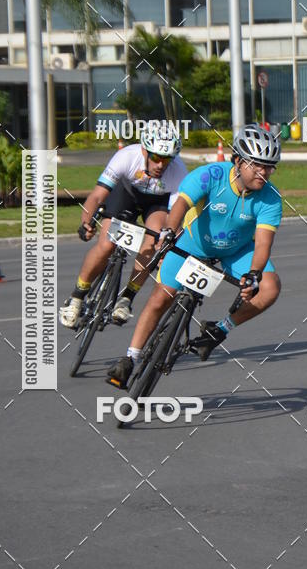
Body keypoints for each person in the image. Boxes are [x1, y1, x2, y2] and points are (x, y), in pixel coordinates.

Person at [106, 125, 282, 388]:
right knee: (160, 297)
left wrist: (254, 275)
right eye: (257, 165)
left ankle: (219, 330)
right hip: (194, 242)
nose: (264, 173)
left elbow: (263, 245)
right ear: (237, 161)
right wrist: (167, 232)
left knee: (270, 287)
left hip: (236, 250)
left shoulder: (271, 199)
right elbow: (181, 205)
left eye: (270, 167)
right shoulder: (211, 175)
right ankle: (130, 358)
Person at [59, 124, 187, 329]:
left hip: (157, 202)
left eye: (167, 159)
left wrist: (166, 238)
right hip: (126, 193)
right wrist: (86, 222)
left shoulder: (178, 171)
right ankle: (77, 296)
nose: (161, 165)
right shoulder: (127, 156)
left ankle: (127, 297)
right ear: (144, 150)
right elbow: (98, 195)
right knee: (106, 245)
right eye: (156, 157)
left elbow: (174, 216)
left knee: (153, 241)